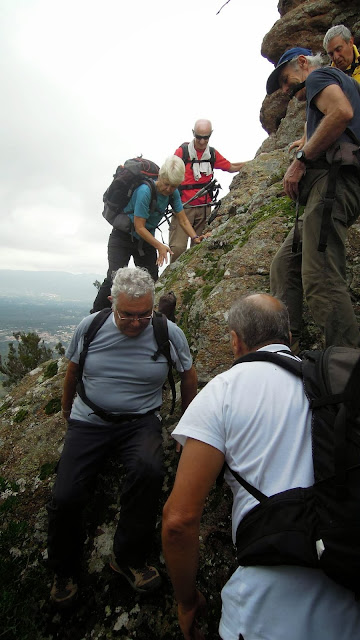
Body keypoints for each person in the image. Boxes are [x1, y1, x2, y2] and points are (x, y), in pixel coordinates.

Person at [162, 293, 360, 640]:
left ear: (235, 341)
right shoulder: (335, 386)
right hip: (347, 599)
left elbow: (178, 521)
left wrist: (186, 601)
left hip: (261, 614)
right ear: (289, 337)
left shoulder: (223, 392)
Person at [47, 266, 198, 606]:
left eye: (144, 315)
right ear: (113, 302)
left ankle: (128, 558)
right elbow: (72, 372)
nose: (136, 323)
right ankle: (63, 568)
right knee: (67, 493)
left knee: (149, 471)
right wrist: (68, 414)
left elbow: (189, 375)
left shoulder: (167, 332)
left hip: (140, 421)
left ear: (153, 306)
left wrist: (188, 425)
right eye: (127, 315)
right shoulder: (92, 326)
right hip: (90, 419)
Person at [266, 48, 360, 353]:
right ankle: (285, 347)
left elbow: (342, 114)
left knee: (320, 275)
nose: (285, 89)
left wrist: (301, 160)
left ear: (303, 63)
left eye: (285, 79)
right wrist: (308, 138)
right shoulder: (338, 82)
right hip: (330, 188)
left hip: (333, 184)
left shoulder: (320, 75)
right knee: (285, 263)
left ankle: (346, 372)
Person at [92, 156, 204, 312]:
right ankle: (96, 316)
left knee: (151, 282)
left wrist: (195, 237)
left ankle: (148, 316)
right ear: (161, 177)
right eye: (166, 184)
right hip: (122, 237)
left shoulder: (173, 193)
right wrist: (160, 246)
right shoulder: (145, 191)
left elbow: (183, 220)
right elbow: (139, 227)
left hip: (145, 242)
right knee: (114, 279)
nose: (168, 189)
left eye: (173, 186)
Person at [169, 119, 246, 262]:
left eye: (206, 137)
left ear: (210, 135)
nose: (202, 141)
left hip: (204, 208)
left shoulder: (212, 154)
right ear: (193, 134)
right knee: (177, 248)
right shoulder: (182, 152)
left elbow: (230, 167)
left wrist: (254, 162)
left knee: (197, 250)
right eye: (199, 137)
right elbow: (169, 172)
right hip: (183, 207)